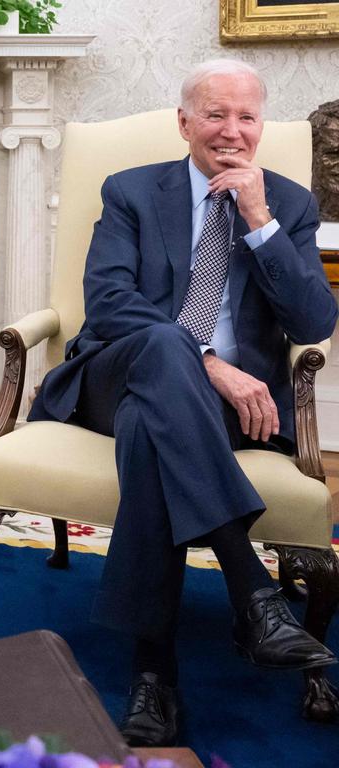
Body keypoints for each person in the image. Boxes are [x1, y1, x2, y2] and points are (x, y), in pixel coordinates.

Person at [29, 59, 338, 747]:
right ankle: (251, 590)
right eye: (214, 114)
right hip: (119, 375)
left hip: (194, 412)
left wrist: (257, 220)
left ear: (260, 126)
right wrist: (211, 366)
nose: (231, 130)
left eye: (246, 117)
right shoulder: (133, 192)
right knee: (170, 352)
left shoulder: (286, 204)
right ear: (184, 122)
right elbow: (108, 304)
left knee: (151, 428)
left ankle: (154, 674)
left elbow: (314, 322)